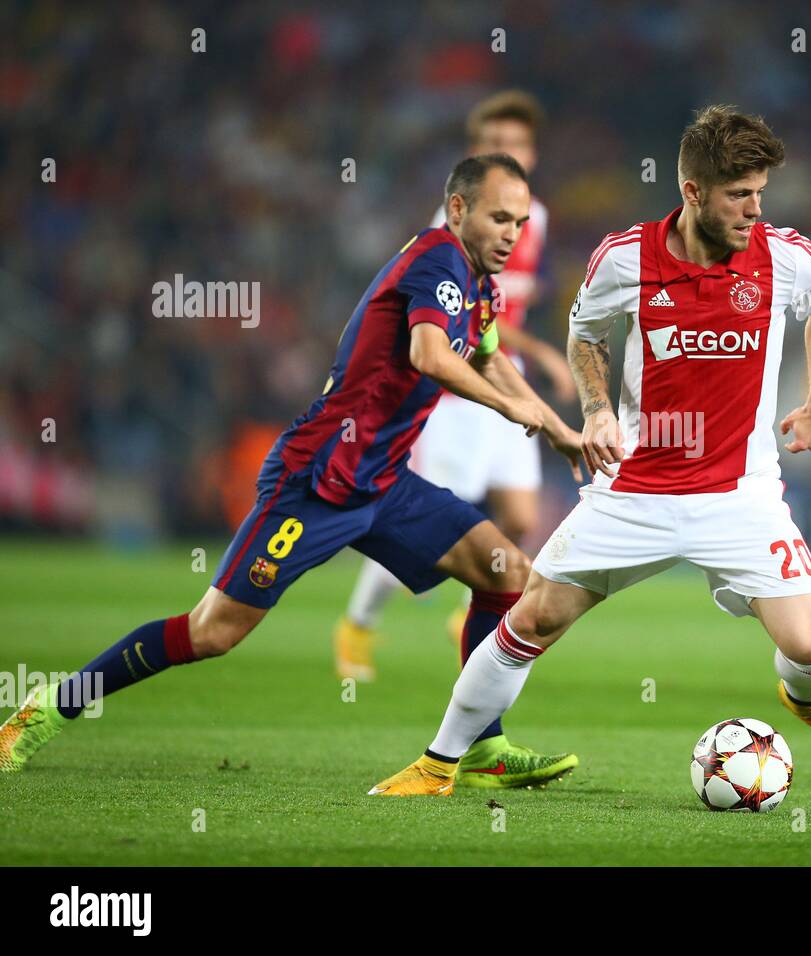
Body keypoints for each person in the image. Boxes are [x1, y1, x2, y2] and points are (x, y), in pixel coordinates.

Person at [1, 155, 583, 791]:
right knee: (213, 630)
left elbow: (492, 354)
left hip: (383, 480)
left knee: (504, 574)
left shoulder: (479, 283)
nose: (511, 233)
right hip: (320, 479)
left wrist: (552, 425)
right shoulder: (438, 259)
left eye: (520, 223)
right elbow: (429, 354)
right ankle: (47, 707)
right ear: (459, 209)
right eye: (499, 217)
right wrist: (514, 408)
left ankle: (479, 748)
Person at [367, 106, 811, 798]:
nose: (755, 210)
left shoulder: (787, 257)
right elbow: (586, 336)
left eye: (761, 193)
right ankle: (438, 764)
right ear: (692, 191)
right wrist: (598, 409)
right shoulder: (624, 258)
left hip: (742, 494)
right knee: (531, 618)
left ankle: (807, 701)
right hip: (636, 489)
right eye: (739, 196)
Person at [334, 90, 575, 687]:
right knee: (430, 522)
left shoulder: (533, 219)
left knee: (519, 515)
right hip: (455, 391)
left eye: (518, 144)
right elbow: (466, 314)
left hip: (500, 374)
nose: (509, 151)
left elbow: (513, 295)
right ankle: (358, 623)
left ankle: (471, 610)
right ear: (475, 156)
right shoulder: (450, 229)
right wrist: (540, 350)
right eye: (497, 143)